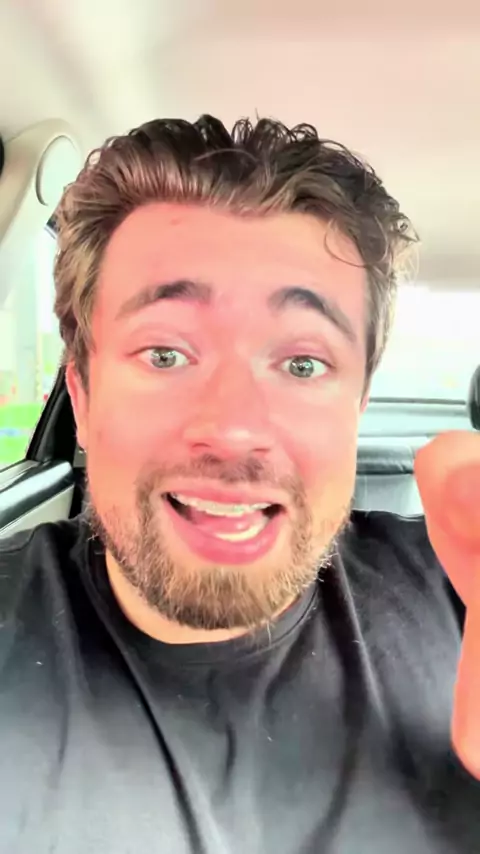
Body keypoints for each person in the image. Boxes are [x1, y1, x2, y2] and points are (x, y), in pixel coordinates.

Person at [1, 115, 480, 854]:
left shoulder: (462, 598)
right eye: (165, 354)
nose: (232, 429)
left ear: (356, 408)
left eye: (302, 365)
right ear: (84, 399)